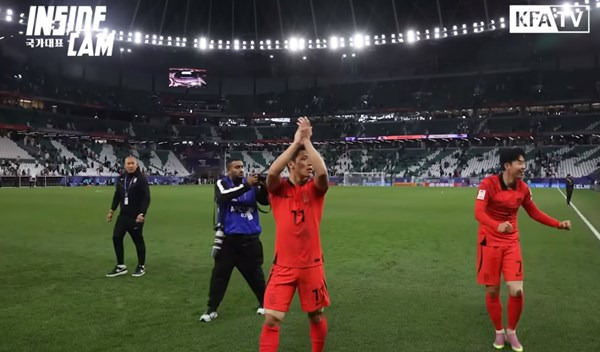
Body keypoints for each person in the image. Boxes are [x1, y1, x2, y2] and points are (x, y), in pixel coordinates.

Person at [474, 148, 571, 351]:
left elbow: (533, 212)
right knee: (492, 291)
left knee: (516, 291)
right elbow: (478, 213)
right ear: (507, 165)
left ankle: (512, 331)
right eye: (519, 162)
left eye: (524, 162)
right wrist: (496, 225)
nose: (524, 166)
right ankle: (499, 332)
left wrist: (557, 224)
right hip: (488, 242)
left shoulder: (523, 189)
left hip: (511, 243)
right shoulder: (487, 184)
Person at [259, 117, 330, 352]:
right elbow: (271, 173)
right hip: (283, 267)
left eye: (309, 160)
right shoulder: (278, 191)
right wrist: (295, 144)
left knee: (316, 315)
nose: (309, 164)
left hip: (312, 265)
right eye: (303, 161)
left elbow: (323, 174)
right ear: (291, 164)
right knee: (271, 319)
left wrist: (307, 142)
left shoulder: (315, 190)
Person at [199, 160, 269, 322]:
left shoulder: (252, 185)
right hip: (229, 240)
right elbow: (222, 197)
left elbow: (265, 202)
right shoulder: (222, 182)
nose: (241, 170)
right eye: (237, 167)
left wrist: (264, 187)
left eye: (242, 167)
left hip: (250, 238)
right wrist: (246, 186)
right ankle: (211, 309)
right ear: (229, 170)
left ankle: (264, 303)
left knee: (255, 275)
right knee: (219, 275)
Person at [106, 156, 151, 278]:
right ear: (125, 165)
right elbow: (117, 195)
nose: (130, 165)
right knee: (116, 237)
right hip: (123, 216)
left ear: (136, 165)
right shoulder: (121, 178)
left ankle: (141, 266)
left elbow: (146, 197)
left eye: (133, 163)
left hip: (136, 216)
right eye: (128, 163)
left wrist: (142, 213)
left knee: (138, 241)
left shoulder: (141, 179)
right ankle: (121, 266)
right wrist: (112, 210)